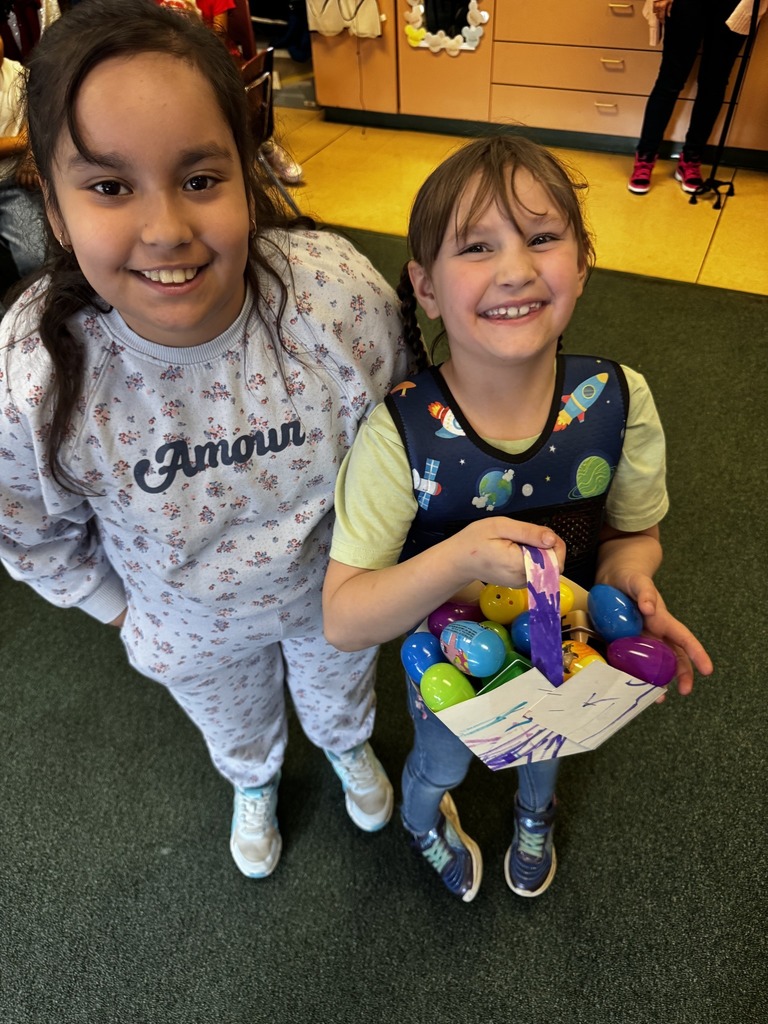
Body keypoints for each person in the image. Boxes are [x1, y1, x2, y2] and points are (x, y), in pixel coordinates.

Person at [0, 0, 408, 879]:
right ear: (55, 210)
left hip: (334, 593)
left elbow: (401, 429)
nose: (166, 230)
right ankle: (254, 779)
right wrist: (128, 613)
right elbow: (28, 528)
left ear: (248, 170)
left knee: (342, 693)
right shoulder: (35, 368)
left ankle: (344, 749)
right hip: (188, 625)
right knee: (235, 722)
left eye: (200, 179)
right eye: (110, 187)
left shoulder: (335, 297)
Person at [323, 135, 713, 902]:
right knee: (441, 761)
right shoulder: (400, 434)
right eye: (476, 246)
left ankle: (537, 813)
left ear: (582, 263)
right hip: (447, 662)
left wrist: (629, 579)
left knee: (547, 747)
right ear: (426, 287)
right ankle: (422, 819)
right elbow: (342, 617)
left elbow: (632, 533)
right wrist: (460, 556)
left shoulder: (617, 402)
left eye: (542, 237)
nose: (516, 268)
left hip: (562, 650)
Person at [628, 0, 764, 195]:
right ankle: (645, 157)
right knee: (669, 81)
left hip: (735, 3)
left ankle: (691, 158)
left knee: (714, 84)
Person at [0, 34, 47, 304]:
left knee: (36, 255)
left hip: (13, 183)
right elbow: (25, 135)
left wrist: (30, 153)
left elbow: (37, 117)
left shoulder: (19, 74)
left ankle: (39, 311)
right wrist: (21, 142)